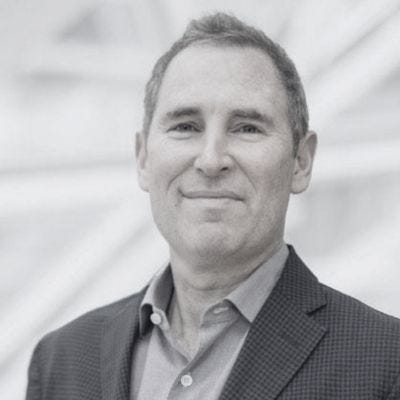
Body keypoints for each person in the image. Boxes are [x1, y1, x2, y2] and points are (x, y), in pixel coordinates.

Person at [26, 12, 400, 400]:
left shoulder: (387, 366)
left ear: (301, 162)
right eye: (185, 126)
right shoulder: (61, 360)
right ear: (143, 158)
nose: (211, 159)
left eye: (247, 128)